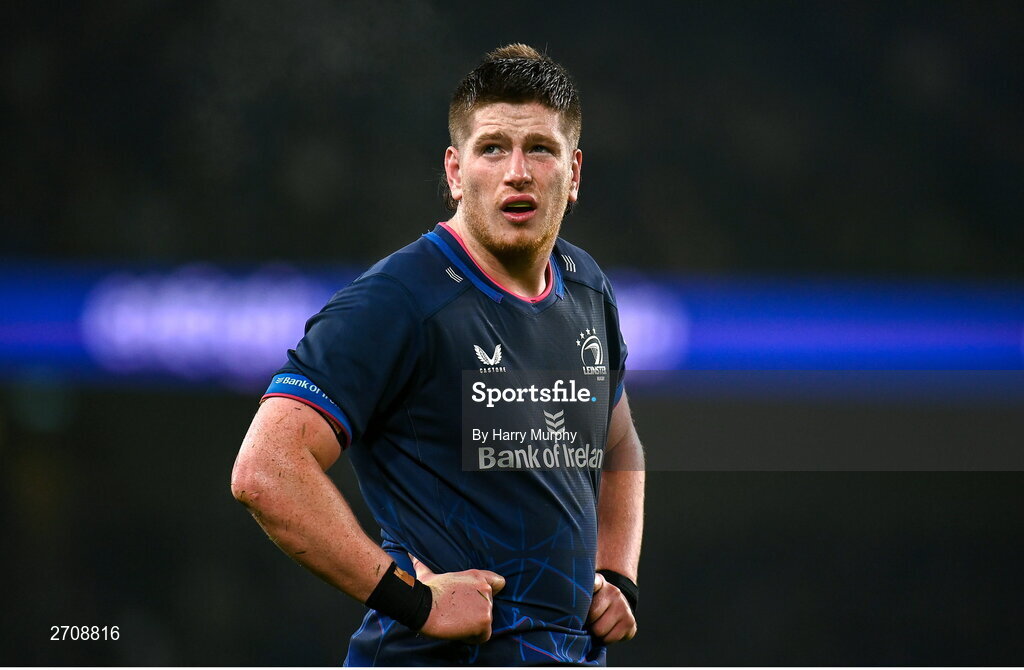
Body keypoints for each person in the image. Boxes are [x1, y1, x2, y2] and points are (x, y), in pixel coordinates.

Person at [231, 43, 645, 666]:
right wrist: (417, 603)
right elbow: (266, 469)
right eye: (492, 149)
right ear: (454, 171)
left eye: (540, 148)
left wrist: (617, 574)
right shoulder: (398, 301)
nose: (517, 172)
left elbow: (618, 443)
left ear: (574, 172)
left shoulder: (586, 287)